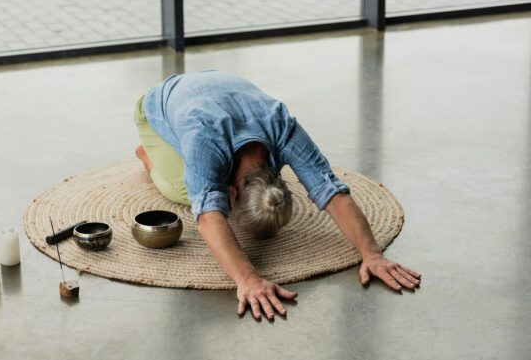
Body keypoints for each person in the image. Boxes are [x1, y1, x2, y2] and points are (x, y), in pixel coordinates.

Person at [134, 70, 421, 320]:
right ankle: (149, 158)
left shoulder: (281, 125)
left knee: (201, 184)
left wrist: (371, 253)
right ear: (230, 192)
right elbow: (208, 219)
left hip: (218, 85)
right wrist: (248, 279)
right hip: (159, 102)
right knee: (186, 193)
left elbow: (330, 189)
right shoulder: (204, 141)